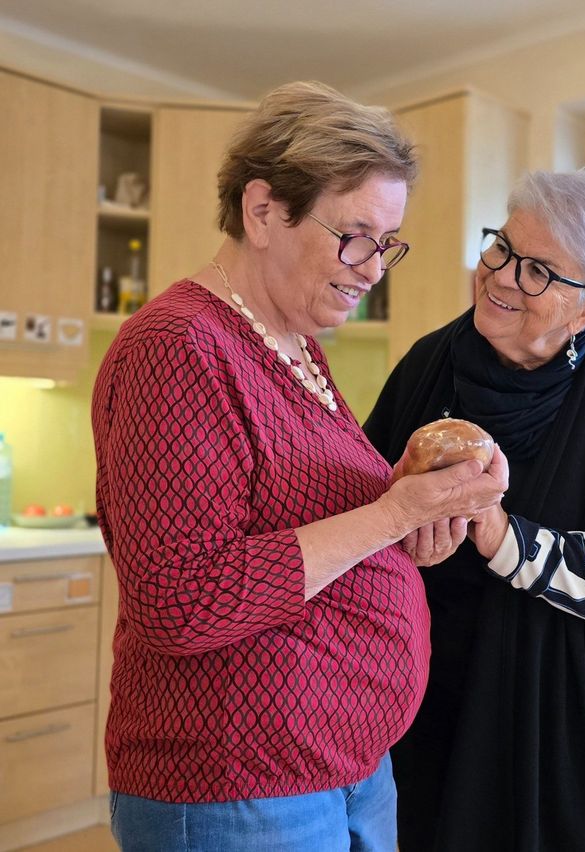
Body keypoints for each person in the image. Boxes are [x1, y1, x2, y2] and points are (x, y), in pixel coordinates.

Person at [91, 80, 508, 852]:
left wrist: (414, 520)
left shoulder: (296, 347)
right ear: (262, 211)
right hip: (235, 784)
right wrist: (393, 515)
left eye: (387, 242)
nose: (375, 266)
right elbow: (182, 600)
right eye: (355, 235)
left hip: (339, 768)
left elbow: (304, 528)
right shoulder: (178, 346)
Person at [364, 165, 585, 852]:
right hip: (426, 712)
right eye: (501, 247)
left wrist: (506, 539)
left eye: (538, 271)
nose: (500, 277)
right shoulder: (430, 362)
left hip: (569, 734)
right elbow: (364, 499)